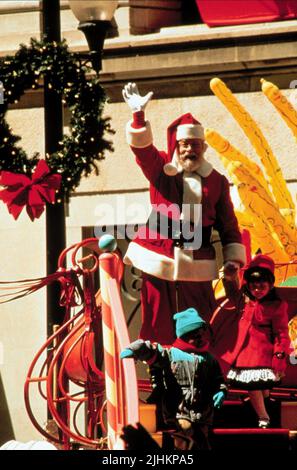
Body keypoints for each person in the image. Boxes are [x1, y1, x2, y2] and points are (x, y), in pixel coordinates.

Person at [122, 82, 246, 344]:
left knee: (201, 319)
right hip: (158, 253)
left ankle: (199, 370)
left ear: (204, 148)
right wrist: (138, 117)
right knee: (157, 317)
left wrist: (233, 259)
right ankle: (159, 368)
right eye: (185, 144)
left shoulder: (217, 181)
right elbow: (142, 152)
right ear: (176, 147)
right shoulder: (162, 169)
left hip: (198, 259)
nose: (190, 149)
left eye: (196, 144)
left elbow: (228, 225)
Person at [121, 307, 227, 450]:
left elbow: (218, 380)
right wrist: (134, 350)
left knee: (201, 440)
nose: (200, 339)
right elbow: (149, 349)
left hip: (203, 413)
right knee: (185, 433)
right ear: (183, 336)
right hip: (179, 411)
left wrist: (221, 391)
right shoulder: (171, 354)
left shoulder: (209, 359)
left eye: (201, 334)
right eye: (194, 335)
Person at [223, 254, 290, 428]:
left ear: (271, 285)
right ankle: (263, 415)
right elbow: (231, 291)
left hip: (263, 351)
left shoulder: (277, 305)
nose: (257, 290)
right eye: (254, 286)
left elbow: (281, 332)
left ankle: (264, 413)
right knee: (253, 384)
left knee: (259, 385)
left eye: (262, 286)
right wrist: (230, 276)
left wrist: (280, 354)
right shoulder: (243, 300)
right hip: (244, 350)